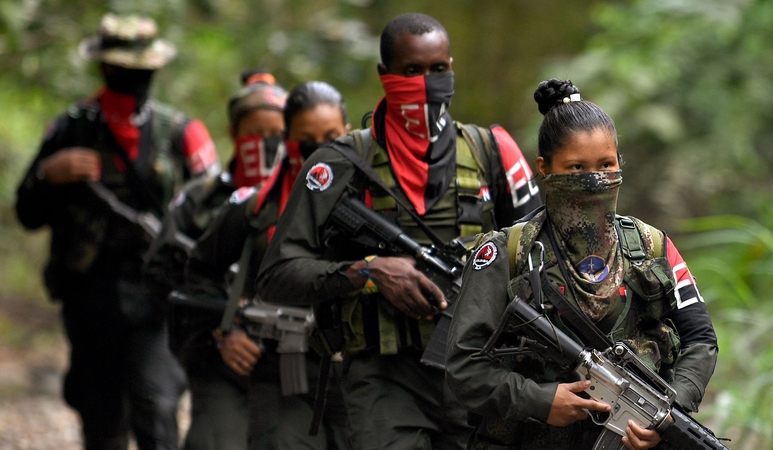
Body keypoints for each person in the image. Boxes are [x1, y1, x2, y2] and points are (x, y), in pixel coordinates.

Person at [257, 13, 542, 450]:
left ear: (452, 69)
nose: (427, 84)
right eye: (411, 71)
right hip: (382, 380)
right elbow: (276, 277)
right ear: (383, 75)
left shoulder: (493, 151)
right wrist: (369, 272)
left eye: (438, 70)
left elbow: (542, 255)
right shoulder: (337, 165)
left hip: (479, 374)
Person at [445, 78, 719, 450]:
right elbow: (463, 368)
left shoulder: (652, 246)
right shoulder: (508, 254)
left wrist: (666, 415)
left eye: (606, 165)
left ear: (620, 164)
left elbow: (700, 340)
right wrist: (541, 401)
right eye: (576, 168)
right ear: (544, 167)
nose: (594, 180)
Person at [14, 13, 219, 450]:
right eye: (122, 66)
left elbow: (219, 213)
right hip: (91, 298)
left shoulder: (181, 132)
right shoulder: (71, 128)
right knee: (100, 414)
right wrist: (50, 175)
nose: (132, 76)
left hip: (159, 297)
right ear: (103, 66)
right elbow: (28, 212)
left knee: (156, 405)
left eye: (140, 68)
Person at [185, 81, 351, 449]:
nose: (320, 148)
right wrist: (224, 328)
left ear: (350, 134)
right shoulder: (255, 207)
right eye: (306, 138)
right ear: (288, 140)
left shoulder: (376, 203)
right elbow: (198, 272)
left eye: (332, 136)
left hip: (361, 376)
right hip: (280, 375)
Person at [146, 70, 288, 450]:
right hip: (218, 360)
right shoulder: (200, 199)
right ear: (233, 134)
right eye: (254, 133)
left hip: (296, 364)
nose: (265, 144)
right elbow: (162, 276)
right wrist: (218, 328)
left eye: (277, 133)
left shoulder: (311, 194)